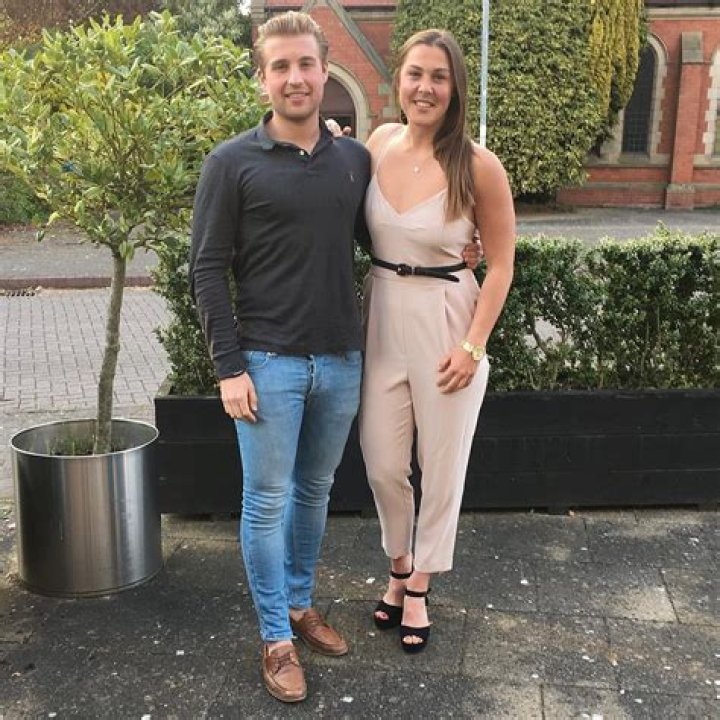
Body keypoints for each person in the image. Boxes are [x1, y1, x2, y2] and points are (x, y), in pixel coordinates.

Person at [189, 11, 369, 704]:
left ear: (325, 69)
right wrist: (229, 367)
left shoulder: (353, 160)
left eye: (305, 64)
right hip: (267, 365)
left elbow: (383, 238)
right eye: (281, 66)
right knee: (266, 503)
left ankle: (299, 603)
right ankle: (275, 638)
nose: (295, 78)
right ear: (262, 78)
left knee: (315, 492)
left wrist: (461, 248)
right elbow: (207, 269)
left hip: (341, 362)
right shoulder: (230, 163)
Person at [358, 29, 515, 654]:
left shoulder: (478, 165)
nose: (425, 88)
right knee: (381, 461)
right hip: (381, 311)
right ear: (399, 80)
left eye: (439, 77)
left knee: (443, 464)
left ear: (455, 89)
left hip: (448, 317)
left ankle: (419, 582)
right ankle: (398, 562)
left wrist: (473, 346)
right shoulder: (376, 144)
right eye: (415, 74)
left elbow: (500, 264)